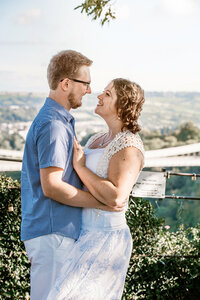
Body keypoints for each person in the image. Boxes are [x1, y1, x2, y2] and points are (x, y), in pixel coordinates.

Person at [21, 50, 122, 300]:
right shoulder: (54, 125)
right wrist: (102, 203)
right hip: (53, 233)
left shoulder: (59, 121)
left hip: (54, 232)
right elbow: (52, 186)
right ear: (66, 84)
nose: (89, 91)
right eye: (85, 83)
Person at [47, 78, 145, 300]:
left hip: (106, 240)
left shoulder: (129, 146)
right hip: (81, 233)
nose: (99, 96)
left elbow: (117, 198)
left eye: (108, 94)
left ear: (123, 105)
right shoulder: (94, 140)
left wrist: (80, 167)